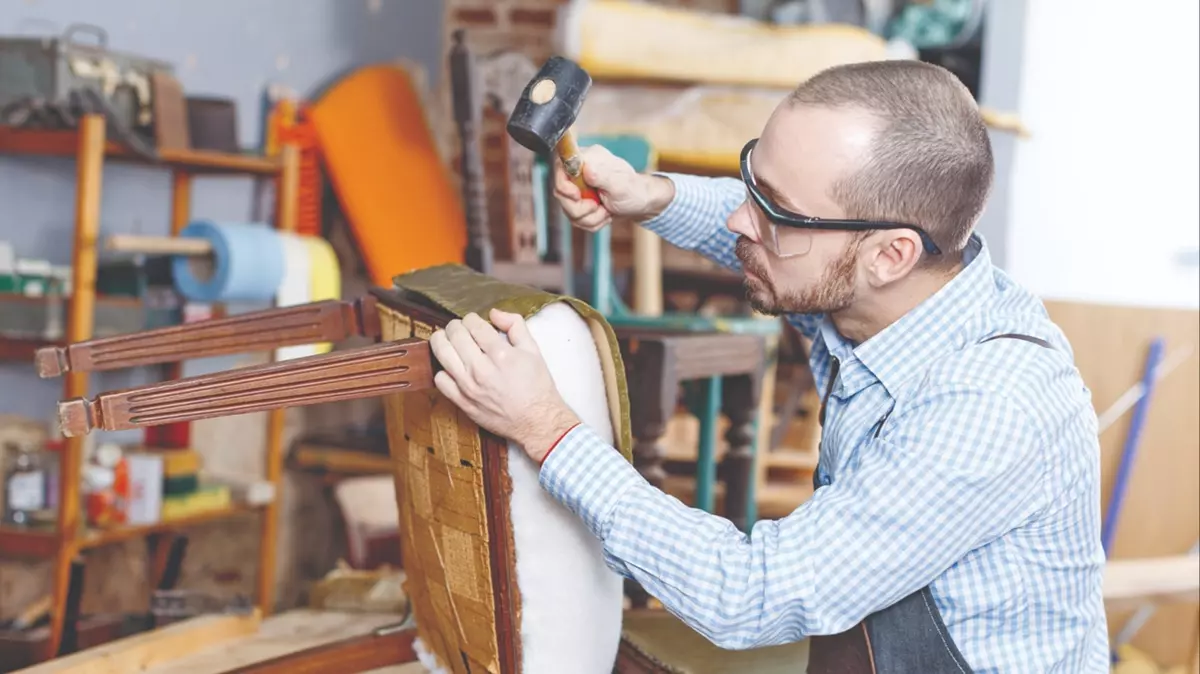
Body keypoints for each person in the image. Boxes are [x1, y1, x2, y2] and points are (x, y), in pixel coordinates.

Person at [428, 60, 1107, 672]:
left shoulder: (986, 408)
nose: (741, 222)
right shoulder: (895, 288)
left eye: (773, 210)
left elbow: (751, 597)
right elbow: (781, 232)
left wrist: (548, 428)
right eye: (754, 178)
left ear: (890, 255)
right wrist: (652, 196)